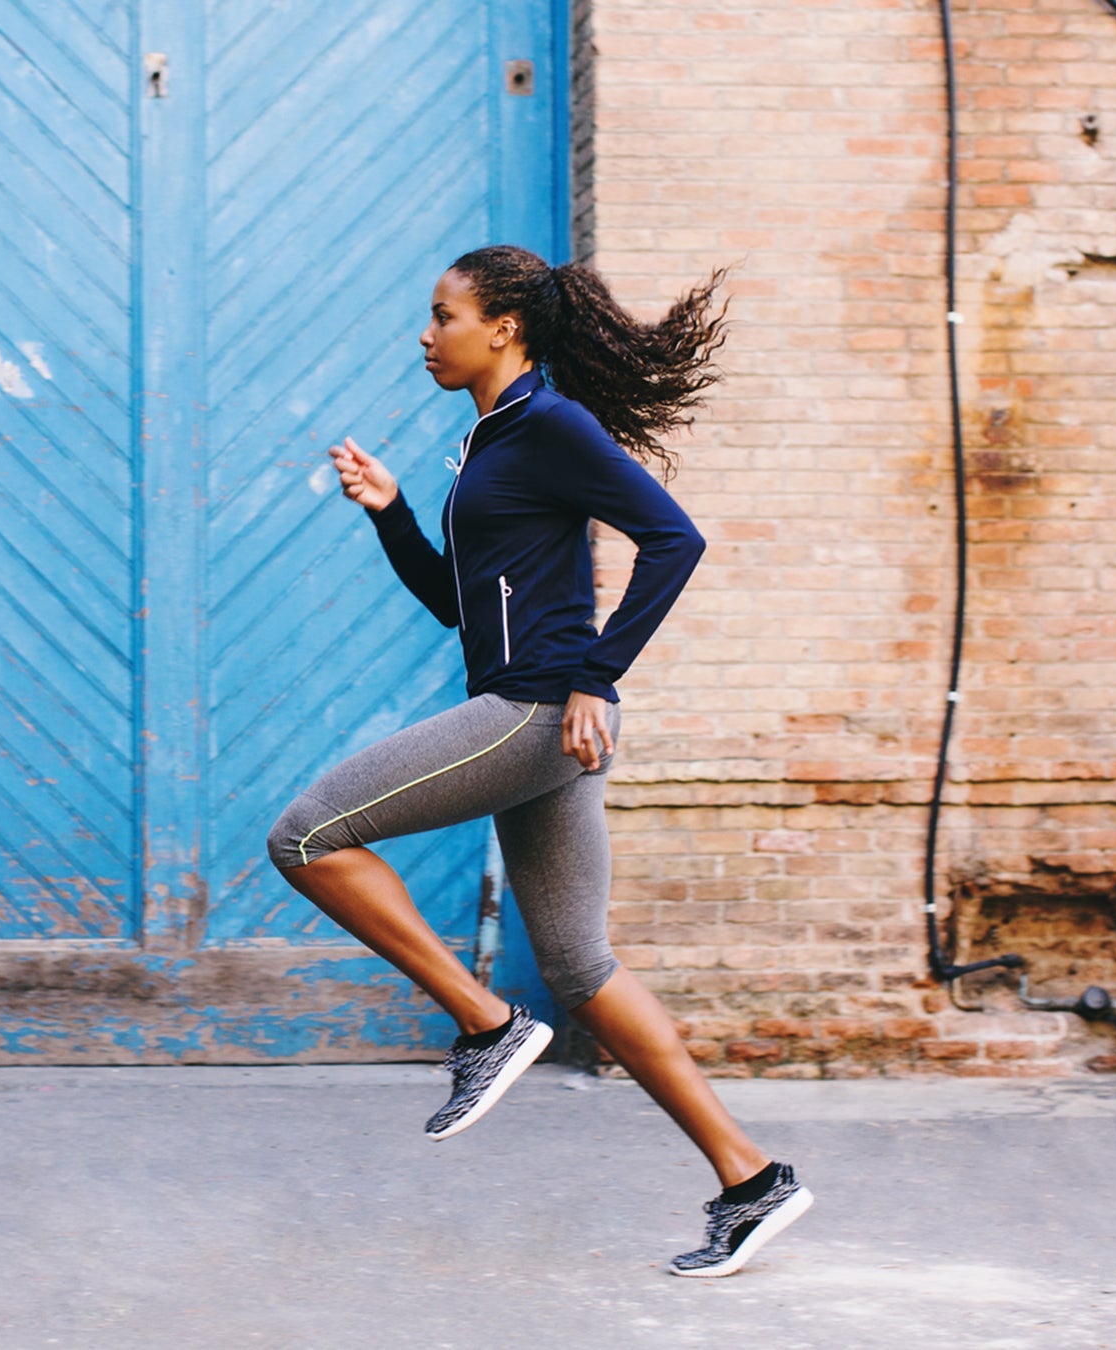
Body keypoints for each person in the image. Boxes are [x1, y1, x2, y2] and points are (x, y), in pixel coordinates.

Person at [264, 245, 811, 1278]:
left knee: (304, 838)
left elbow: (672, 539)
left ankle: (486, 1024)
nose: (426, 335)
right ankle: (752, 1181)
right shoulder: (490, 443)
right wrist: (390, 516)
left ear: (503, 327)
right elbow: (460, 609)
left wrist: (597, 678)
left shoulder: (550, 425)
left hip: (533, 717)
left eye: (443, 315)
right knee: (580, 967)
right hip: (529, 711)